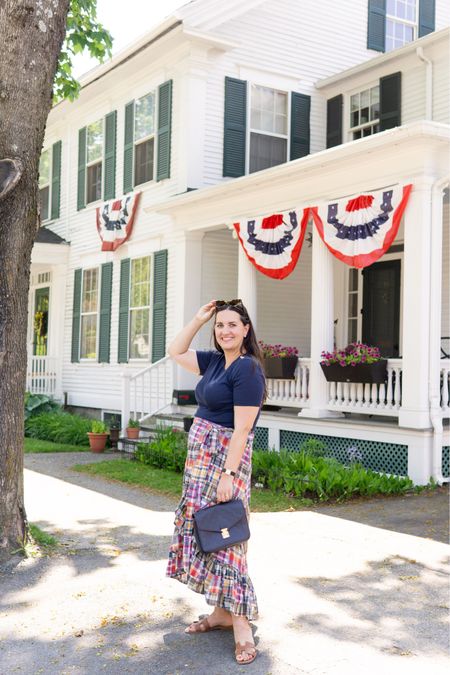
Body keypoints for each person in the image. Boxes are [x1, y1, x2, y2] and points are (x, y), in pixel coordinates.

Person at [166, 299, 266, 665]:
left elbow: (241, 429)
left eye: (232, 325)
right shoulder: (213, 362)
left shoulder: (247, 370)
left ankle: (241, 626)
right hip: (199, 464)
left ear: (245, 330)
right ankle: (222, 613)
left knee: (227, 538)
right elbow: (175, 350)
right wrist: (198, 317)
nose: (225, 330)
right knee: (207, 533)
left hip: (225, 462)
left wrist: (229, 474)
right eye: (220, 325)